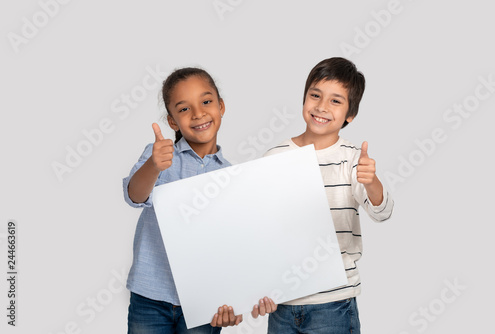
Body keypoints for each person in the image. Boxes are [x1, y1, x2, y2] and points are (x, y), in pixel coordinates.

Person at [122, 67, 276, 334]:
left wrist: (235, 301)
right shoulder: (159, 156)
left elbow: (233, 248)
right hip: (151, 294)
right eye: (184, 109)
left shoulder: (231, 177)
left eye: (206, 102)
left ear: (221, 106)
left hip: (205, 303)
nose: (198, 114)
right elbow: (135, 196)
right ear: (172, 121)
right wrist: (154, 166)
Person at [264, 57, 394, 333]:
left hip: (333, 302)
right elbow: (264, 227)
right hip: (282, 303)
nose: (322, 106)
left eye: (335, 101)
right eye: (315, 95)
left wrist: (371, 182)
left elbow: (382, 212)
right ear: (304, 99)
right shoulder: (275, 157)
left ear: (350, 115)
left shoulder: (352, 160)